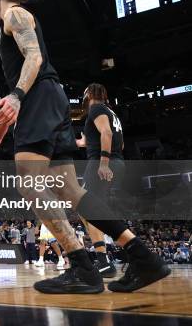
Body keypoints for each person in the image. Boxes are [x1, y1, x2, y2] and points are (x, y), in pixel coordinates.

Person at [0, 0, 170, 293]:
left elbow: (35, 57)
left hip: (39, 96)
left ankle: (82, 267)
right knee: (70, 190)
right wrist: (17, 105)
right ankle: (144, 258)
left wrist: (17, 96)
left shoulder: (15, 14)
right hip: (51, 99)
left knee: (30, 184)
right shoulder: (17, 17)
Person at [76, 83, 124, 278]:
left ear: (88, 94)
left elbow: (107, 133)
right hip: (117, 162)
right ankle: (125, 253)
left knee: (87, 209)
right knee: (93, 210)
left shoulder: (96, 109)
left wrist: (103, 163)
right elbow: (119, 142)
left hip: (100, 164)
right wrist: (82, 143)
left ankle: (103, 262)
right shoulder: (111, 113)